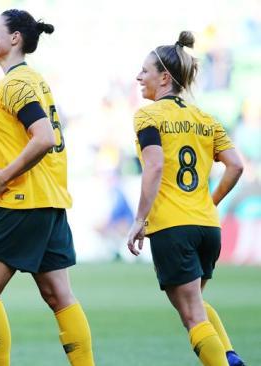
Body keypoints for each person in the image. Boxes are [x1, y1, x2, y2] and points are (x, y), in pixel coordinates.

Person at [0, 10, 95, 366]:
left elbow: (43, 138)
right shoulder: (30, 79)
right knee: (59, 295)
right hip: (48, 199)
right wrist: (4, 167)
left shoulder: (15, 83)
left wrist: (2, 178)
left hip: (22, 201)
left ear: (15, 39)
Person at [127, 31, 245, 366]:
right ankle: (230, 355)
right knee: (194, 303)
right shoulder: (206, 119)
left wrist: (139, 220)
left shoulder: (147, 116)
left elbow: (153, 166)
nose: (138, 77)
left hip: (172, 227)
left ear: (164, 77)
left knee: (192, 315)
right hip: (208, 227)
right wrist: (211, 202)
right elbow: (235, 166)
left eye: (144, 71)